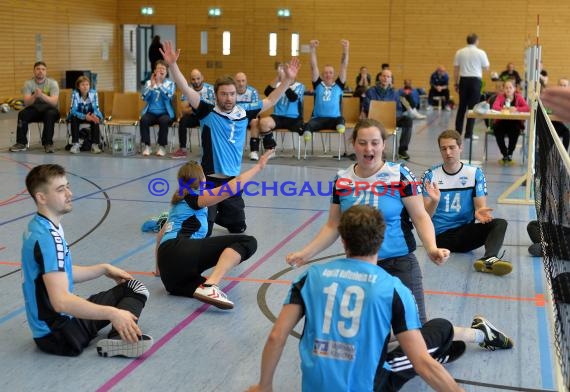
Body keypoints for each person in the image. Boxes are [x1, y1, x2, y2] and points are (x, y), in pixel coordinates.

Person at [248, 205, 464, 392]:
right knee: (441, 328)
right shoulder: (393, 288)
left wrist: (264, 386)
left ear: (343, 240)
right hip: (370, 386)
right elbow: (422, 364)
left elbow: (276, 337)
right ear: (381, 239)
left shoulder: (310, 277)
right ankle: (442, 351)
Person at [286, 118, 450, 324]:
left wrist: (432, 248)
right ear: (353, 144)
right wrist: (304, 254)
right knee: (368, 329)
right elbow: (333, 225)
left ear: (383, 145)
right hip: (359, 267)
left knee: (416, 329)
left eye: (374, 142)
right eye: (362, 142)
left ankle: (474, 333)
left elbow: (420, 216)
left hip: (398, 263)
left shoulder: (399, 175)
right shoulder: (342, 180)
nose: (368, 148)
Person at [160, 40, 300, 237]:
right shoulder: (207, 111)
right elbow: (186, 89)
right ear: (216, 95)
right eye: (224, 94)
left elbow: (271, 100)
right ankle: (198, 209)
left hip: (232, 181)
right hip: (208, 180)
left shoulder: (245, 111)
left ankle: (207, 210)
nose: (228, 98)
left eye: (232, 94)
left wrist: (286, 81)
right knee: (205, 231)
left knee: (238, 228)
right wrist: (172, 65)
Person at [21, 164, 153, 357]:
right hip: (61, 334)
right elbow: (60, 302)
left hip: (52, 329)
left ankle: (119, 334)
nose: (69, 193)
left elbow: (60, 273)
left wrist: (103, 268)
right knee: (136, 289)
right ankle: (120, 340)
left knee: (130, 286)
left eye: (67, 186)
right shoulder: (47, 239)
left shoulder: (41, 226)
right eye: (60, 190)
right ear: (41, 198)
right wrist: (112, 313)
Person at [155, 150, 273, 309]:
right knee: (247, 241)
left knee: (199, 286)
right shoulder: (195, 196)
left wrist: (158, 269)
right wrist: (258, 167)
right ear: (202, 179)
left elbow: (161, 235)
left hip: (170, 276)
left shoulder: (178, 202)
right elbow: (231, 187)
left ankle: (206, 286)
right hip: (179, 250)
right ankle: (211, 286)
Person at [421, 130, 512, 276]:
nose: (448, 152)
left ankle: (489, 259)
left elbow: (480, 207)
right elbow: (424, 216)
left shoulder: (474, 173)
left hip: (465, 233)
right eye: (444, 149)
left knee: (500, 223)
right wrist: (435, 201)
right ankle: (488, 260)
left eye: (452, 147)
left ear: (460, 147)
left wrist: (479, 212)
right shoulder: (431, 175)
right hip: (441, 238)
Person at [248, 64, 305, 161]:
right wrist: (278, 78)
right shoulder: (279, 85)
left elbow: (293, 98)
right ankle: (271, 149)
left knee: (302, 128)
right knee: (263, 123)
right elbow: (267, 92)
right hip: (278, 116)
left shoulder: (300, 86)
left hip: (293, 118)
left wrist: (284, 82)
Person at [363, 69, 417, 160]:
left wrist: (391, 116)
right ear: (380, 77)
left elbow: (399, 109)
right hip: (375, 120)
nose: (385, 78)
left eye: (388, 77)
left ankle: (402, 150)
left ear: (391, 79)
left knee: (408, 120)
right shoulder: (371, 91)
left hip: (391, 119)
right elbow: (367, 107)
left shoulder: (395, 93)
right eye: (384, 76)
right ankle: (378, 149)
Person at [302, 39, 349, 142]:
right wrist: (312, 49)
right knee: (308, 125)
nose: (328, 75)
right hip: (318, 119)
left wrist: (345, 49)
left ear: (334, 74)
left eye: (330, 72)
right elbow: (313, 67)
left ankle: (340, 127)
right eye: (326, 73)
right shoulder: (318, 84)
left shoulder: (339, 85)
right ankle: (307, 134)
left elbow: (344, 66)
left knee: (341, 120)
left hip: (334, 120)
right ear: (323, 75)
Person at [10, 61, 60, 153]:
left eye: (43, 69)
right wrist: (34, 96)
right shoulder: (28, 84)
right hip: (34, 110)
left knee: (50, 114)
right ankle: (21, 143)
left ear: (46, 72)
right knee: (22, 114)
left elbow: (54, 102)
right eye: (38, 69)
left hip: (50, 110)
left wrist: (41, 95)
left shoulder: (53, 83)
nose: (40, 71)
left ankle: (48, 143)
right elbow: (27, 103)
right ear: (34, 71)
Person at [171, 68, 215, 159]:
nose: (196, 81)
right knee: (183, 121)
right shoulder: (187, 90)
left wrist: (193, 106)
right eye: (193, 79)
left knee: (212, 121)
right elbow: (183, 109)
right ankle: (182, 149)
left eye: (198, 78)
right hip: (194, 116)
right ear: (190, 80)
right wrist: (199, 108)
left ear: (202, 78)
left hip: (206, 116)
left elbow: (213, 107)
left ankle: (210, 149)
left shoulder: (210, 89)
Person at [453, 33, 490, 139]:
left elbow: (456, 69)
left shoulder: (459, 52)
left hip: (463, 81)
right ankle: (468, 134)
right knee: (473, 108)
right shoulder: (481, 52)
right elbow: (486, 67)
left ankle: (457, 133)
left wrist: (456, 83)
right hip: (475, 81)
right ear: (476, 41)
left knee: (461, 108)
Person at [139, 60, 176, 157]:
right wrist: (151, 86)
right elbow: (144, 97)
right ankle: (147, 146)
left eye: (163, 69)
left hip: (165, 113)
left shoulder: (170, 84)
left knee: (164, 121)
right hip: (151, 112)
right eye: (159, 68)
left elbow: (168, 97)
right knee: (143, 120)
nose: (161, 70)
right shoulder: (148, 83)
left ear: (166, 72)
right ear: (155, 71)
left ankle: (162, 146)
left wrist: (159, 84)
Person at [491, 79, 530, 164]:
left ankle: (510, 153)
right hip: (501, 122)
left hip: (514, 122)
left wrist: (516, 109)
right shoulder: (500, 97)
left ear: (514, 88)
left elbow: (527, 108)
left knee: (515, 131)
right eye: (506, 88)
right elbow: (494, 107)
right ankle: (505, 153)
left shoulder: (518, 97)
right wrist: (503, 109)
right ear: (503, 89)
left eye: (510, 87)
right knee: (497, 130)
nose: (508, 89)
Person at [68, 75, 103, 154]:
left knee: (95, 118)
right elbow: (73, 110)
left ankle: (95, 144)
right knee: (73, 117)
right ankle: (76, 144)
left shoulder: (93, 93)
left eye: (87, 84)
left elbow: (96, 108)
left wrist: (93, 115)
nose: (85, 87)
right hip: (79, 115)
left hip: (91, 115)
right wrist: (84, 116)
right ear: (78, 86)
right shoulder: (75, 94)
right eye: (83, 85)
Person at [549, 78, 570, 150]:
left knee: (567, 132)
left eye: (565, 85)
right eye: (561, 85)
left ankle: (564, 155)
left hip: (564, 126)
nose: (562, 87)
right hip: (552, 124)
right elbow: (546, 110)